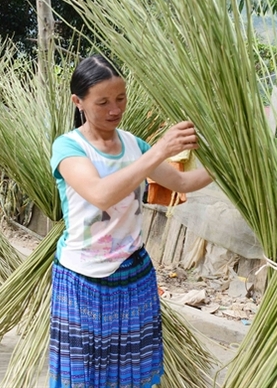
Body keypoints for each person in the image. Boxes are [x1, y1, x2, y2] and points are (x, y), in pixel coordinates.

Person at [49, 54, 212, 388]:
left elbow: (181, 183)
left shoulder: (132, 144)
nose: (115, 109)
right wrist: (158, 151)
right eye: (103, 102)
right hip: (84, 277)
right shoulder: (68, 148)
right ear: (78, 102)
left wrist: (228, 166)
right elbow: (100, 194)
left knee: (132, 371)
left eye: (121, 99)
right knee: (86, 373)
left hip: (134, 273)